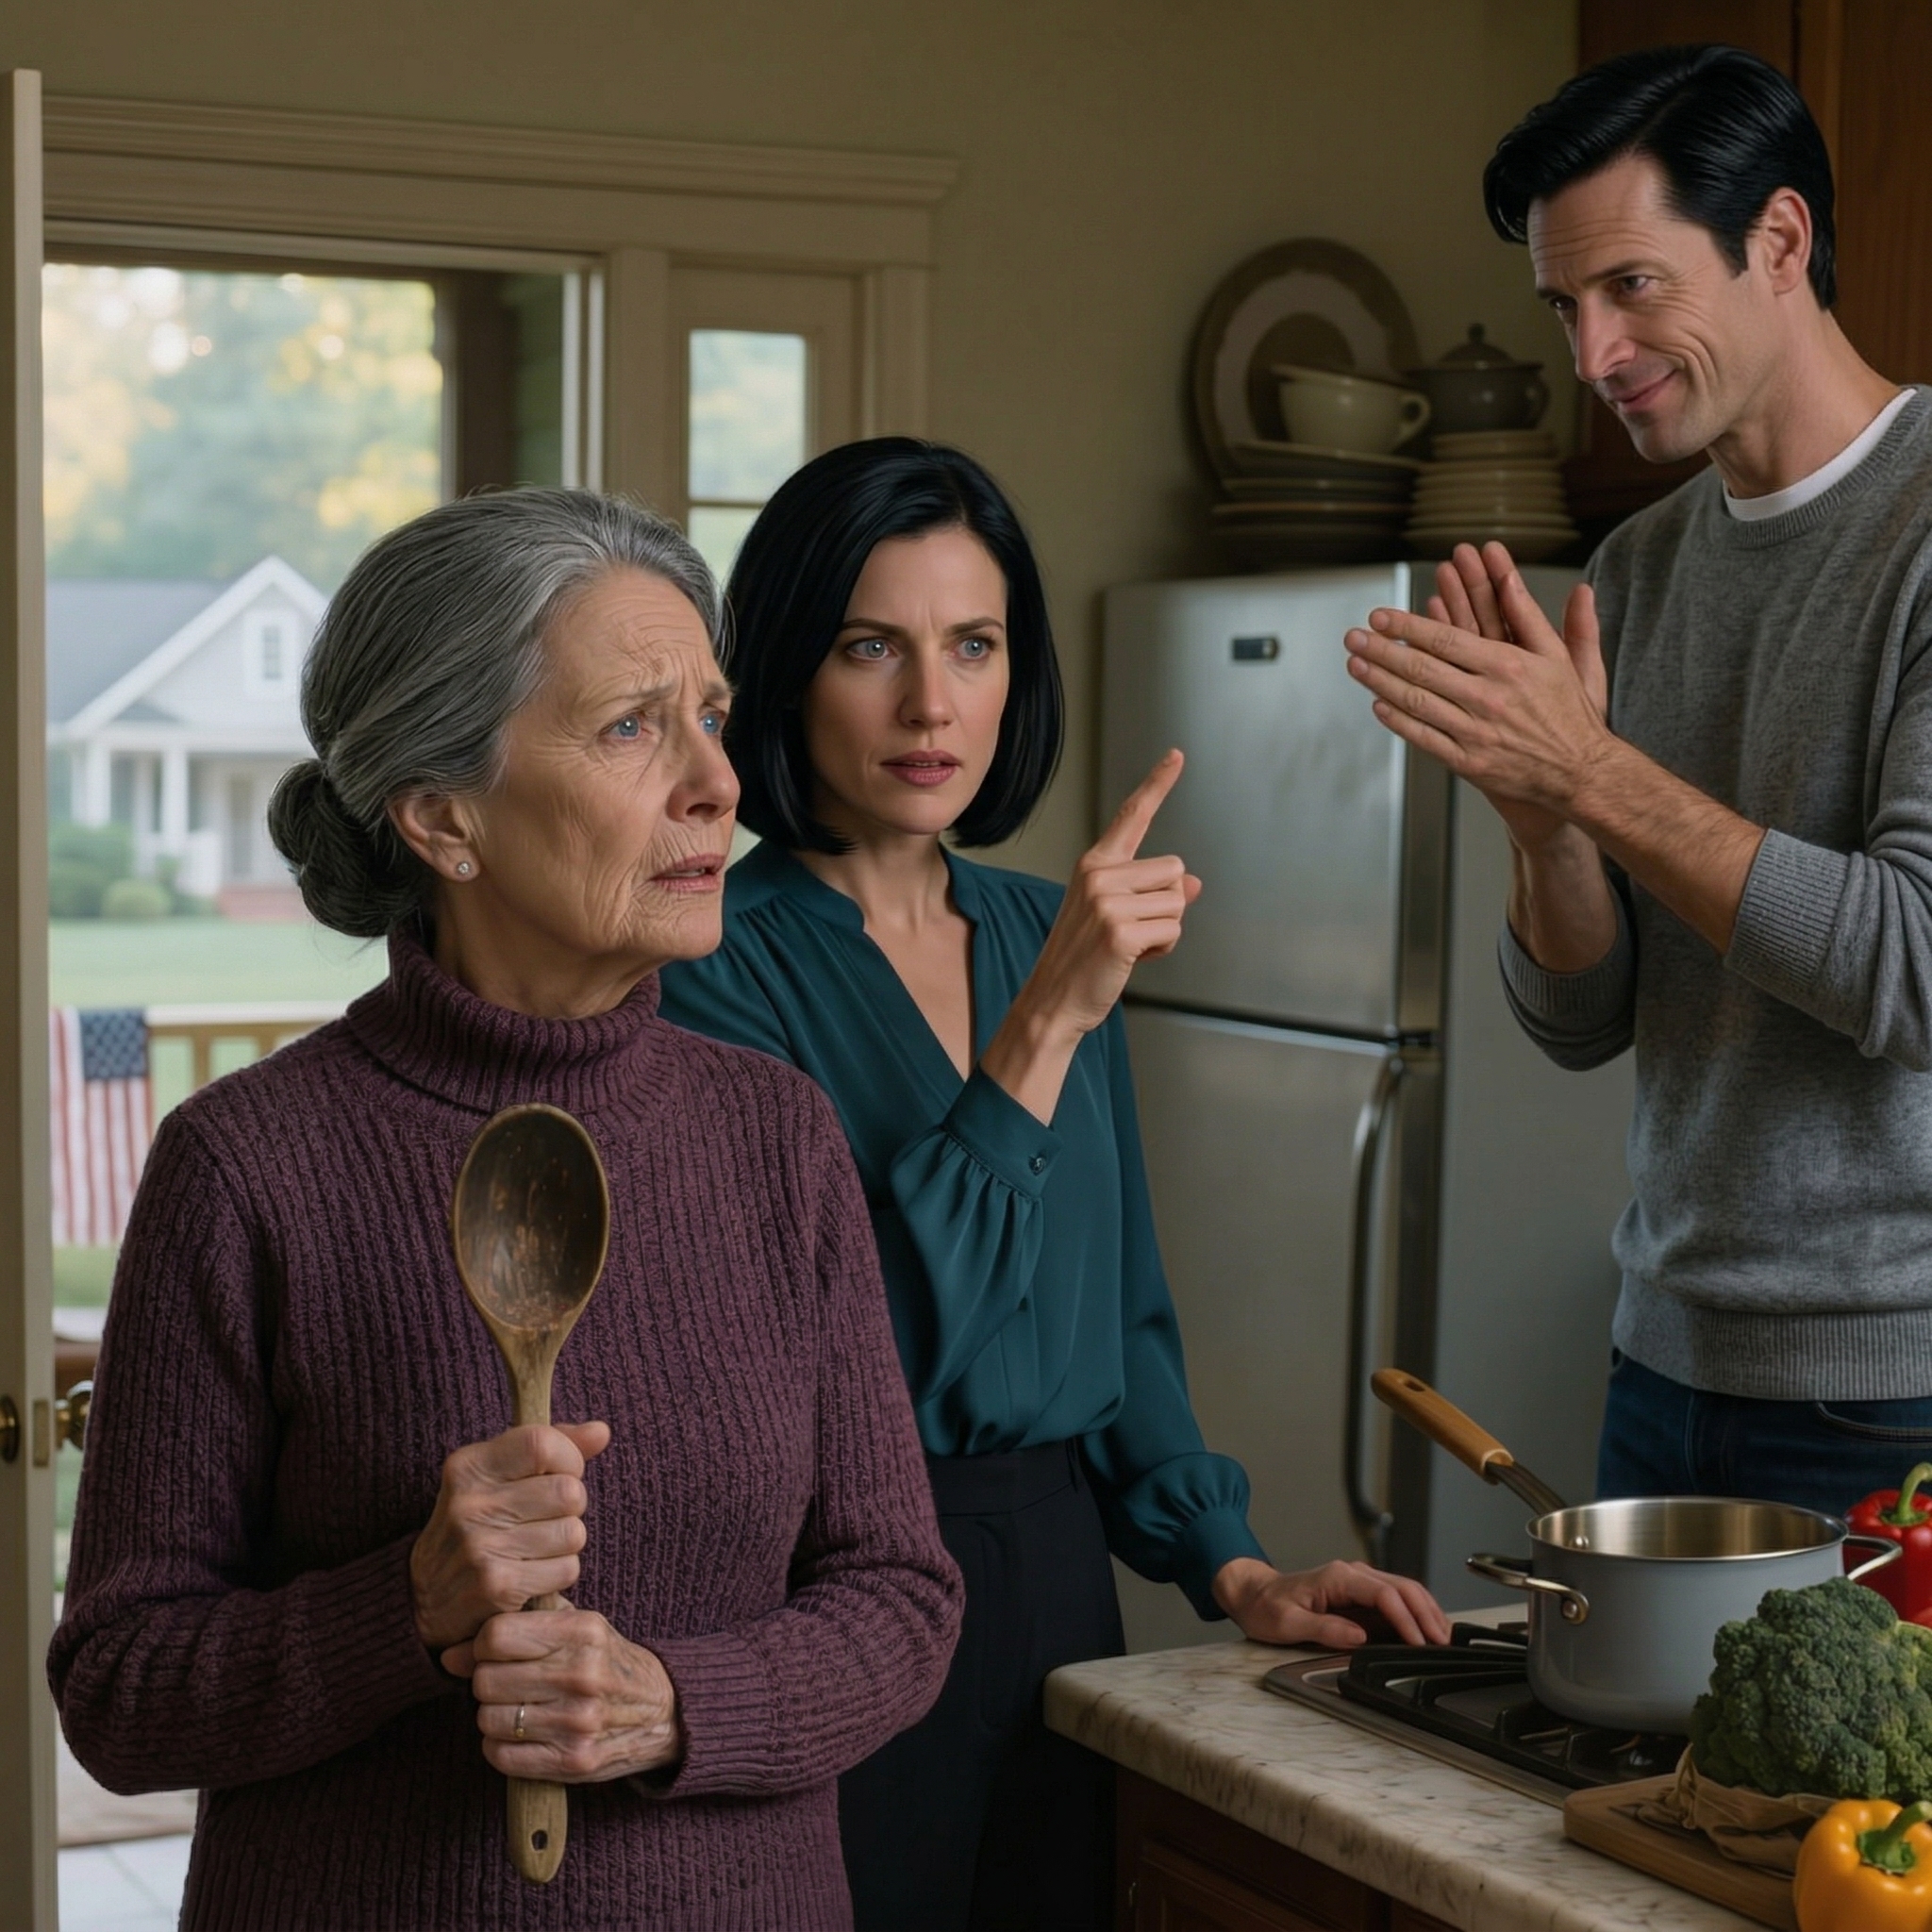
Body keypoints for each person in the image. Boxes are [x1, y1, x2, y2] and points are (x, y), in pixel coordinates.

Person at [48, 489, 963, 1932]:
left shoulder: (775, 1136)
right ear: (443, 818)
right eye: (628, 727)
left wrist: (673, 1702)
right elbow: (118, 1694)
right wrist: (403, 1608)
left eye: (710, 716)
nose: (716, 784)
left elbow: (901, 1601)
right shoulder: (246, 1166)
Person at [658, 438, 1450, 1932]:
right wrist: (1045, 1028)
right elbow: (880, 1358)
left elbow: (1122, 1312)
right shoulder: (714, 971)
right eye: (869, 647)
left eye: (974, 645)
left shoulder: (1046, 929)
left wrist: (1234, 1567)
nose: (930, 705)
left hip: (1065, 1595)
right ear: (779, 667)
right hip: (836, 1594)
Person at [1342, 44, 1932, 1516]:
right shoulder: (1640, 568)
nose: (1592, 354)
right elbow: (1582, 1020)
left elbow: (1916, 969)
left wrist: (1593, 774)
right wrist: (1545, 827)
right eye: (1566, 304)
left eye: (1634, 288)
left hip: (1894, 1397)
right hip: (1661, 1363)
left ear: (1779, 242)